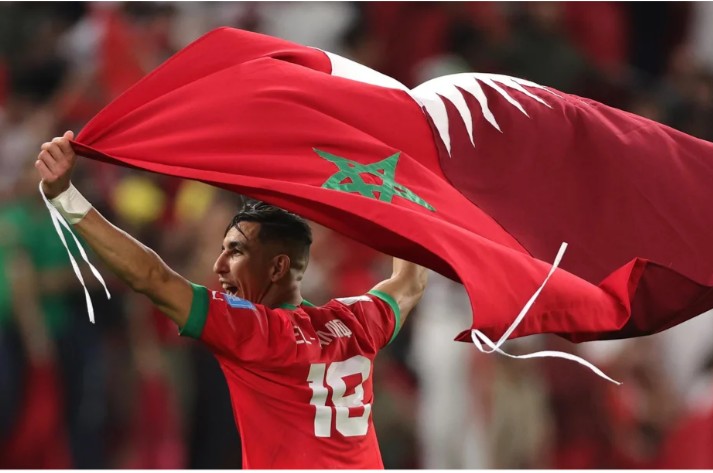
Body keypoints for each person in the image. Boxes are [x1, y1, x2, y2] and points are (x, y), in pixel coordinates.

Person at [35, 130, 428, 469]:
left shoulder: (254, 331)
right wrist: (405, 191)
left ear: (276, 267)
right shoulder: (358, 321)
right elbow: (410, 281)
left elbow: (151, 276)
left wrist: (65, 197)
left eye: (237, 252)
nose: (220, 264)